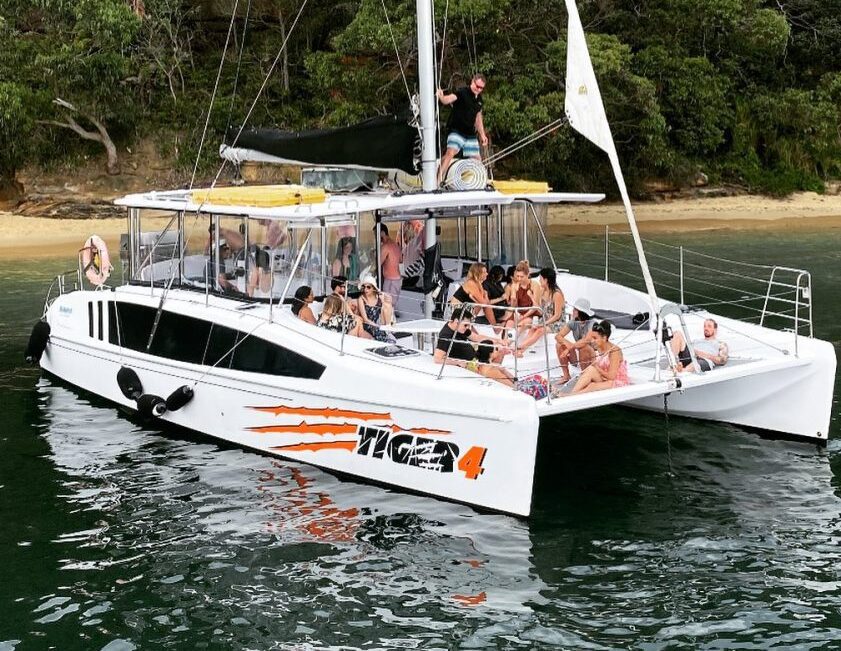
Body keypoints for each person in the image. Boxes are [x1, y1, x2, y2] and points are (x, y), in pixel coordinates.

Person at [433, 307, 513, 386]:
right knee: (494, 369)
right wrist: (458, 362)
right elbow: (437, 358)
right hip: (471, 365)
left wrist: (499, 341)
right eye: (466, 325)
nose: (468, 328)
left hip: (475, 358)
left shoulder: (460, 328)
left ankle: (515, 382)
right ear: (457, 321)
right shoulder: (446, 335)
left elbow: (477, 338)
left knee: (500, 351)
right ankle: (512, 386)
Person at [436, 74, 489, 186]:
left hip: (469, 133)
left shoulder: (479, 100)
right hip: (456, 130)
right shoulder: (462, 92)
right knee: (451, 152)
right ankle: (437, 181)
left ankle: (481, 182)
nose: (478, 89)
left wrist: (482, 135)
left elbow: (478, 118)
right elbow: (448, 99)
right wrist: (441, 97)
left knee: (477, 158)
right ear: (472, 82)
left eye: (481, 88)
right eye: (477, 86)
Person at [569, 320, 629, 394]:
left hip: (617, 382)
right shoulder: (599, 348)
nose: (592, 341)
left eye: (595, 338)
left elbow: (612, 376)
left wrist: (597, 368)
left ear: (604, 338)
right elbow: (586, 342)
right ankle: (572, 394)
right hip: (605, 379)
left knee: (592, 386)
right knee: (590, 369)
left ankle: (568, 396)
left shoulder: (614, 351)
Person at [518, 268, 566, 352]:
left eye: (540, 278)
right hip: (545, 319)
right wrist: (532, 297)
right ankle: (521, 351)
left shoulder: (557, 294)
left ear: (546, 280)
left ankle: (520, 347)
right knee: (533, 328)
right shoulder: (543, 291)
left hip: (557, 323)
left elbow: (557, 315)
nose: (539, 281)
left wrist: (544, 323)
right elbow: (540, 310)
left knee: (540, 330)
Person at [555, 297, 597, 383]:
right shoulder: (573, 322)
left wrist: (568, 349)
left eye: (575, 310)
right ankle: (566, 376)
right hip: (577, 351)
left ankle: (585, 377)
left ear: (581, 312)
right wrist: (566, 344)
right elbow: (558, 336)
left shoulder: (592, 323)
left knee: (584, 347)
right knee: (559, 344)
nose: (572, 311)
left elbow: (587, 340)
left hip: (590, 354)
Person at [357, 274, 395, 343]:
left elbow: (387, 309)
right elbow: (365, 319)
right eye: (364, 287)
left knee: (387, 305)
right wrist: (377, 326)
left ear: (373, 288)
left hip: (380, 322)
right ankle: (386, 333)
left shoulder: (379, 297)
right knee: (380, 333)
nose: (366, 289)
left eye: (368, 287)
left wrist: (384, 300)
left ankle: (388, 331)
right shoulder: (361, 298)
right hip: (369, 324)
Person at [375, 224, 402, 305]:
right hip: (397, 280)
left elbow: (378, 263)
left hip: (390, 281)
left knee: (386, 305)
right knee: (391, 305)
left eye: (376, 235)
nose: (376, 238)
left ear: (382, 233)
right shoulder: (395, 245)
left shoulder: (386, 246)